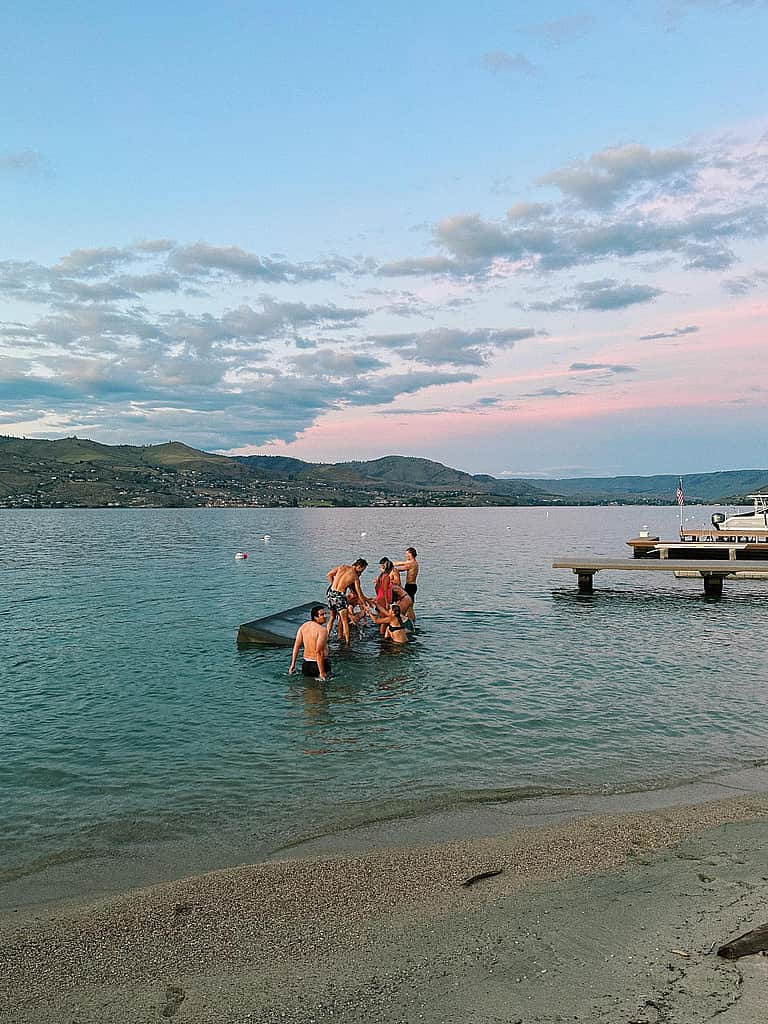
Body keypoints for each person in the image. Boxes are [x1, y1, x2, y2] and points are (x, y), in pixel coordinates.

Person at [325, 558, 369, 643]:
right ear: (359, 566)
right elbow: (359, 594)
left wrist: (333, 584)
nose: (361, 573)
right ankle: (347, 642)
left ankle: (326, 638)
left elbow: (329, 575)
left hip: (330, 593)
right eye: (362, 570)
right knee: (345, 621)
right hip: (340, 596)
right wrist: (365, 605)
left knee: (332, 617)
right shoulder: (355, 577)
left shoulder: (342, 567)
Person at [288, 605, 331, 680]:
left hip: (306, 664)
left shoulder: (304, 626)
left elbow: (296, 646)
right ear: (315, 617)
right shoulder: (322, 630)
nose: (325, 616)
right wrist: (322, 672)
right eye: (322, 615)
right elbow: (319, 652)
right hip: (319, 664)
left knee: (308, 689)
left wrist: (292, 665)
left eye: (325, 614)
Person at [394, 547, 419, 613]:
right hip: (411, 585)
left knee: (409, 605)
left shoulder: (412, 563)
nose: (406, 555)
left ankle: (411, 620)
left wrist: (390, 568)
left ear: (410, 554)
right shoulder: (411, 562)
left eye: (407, 554)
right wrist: (390, 563)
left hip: (410, 586)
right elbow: (400, 563)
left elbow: (399, 569)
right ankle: (410, 618)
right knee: (409, 604)